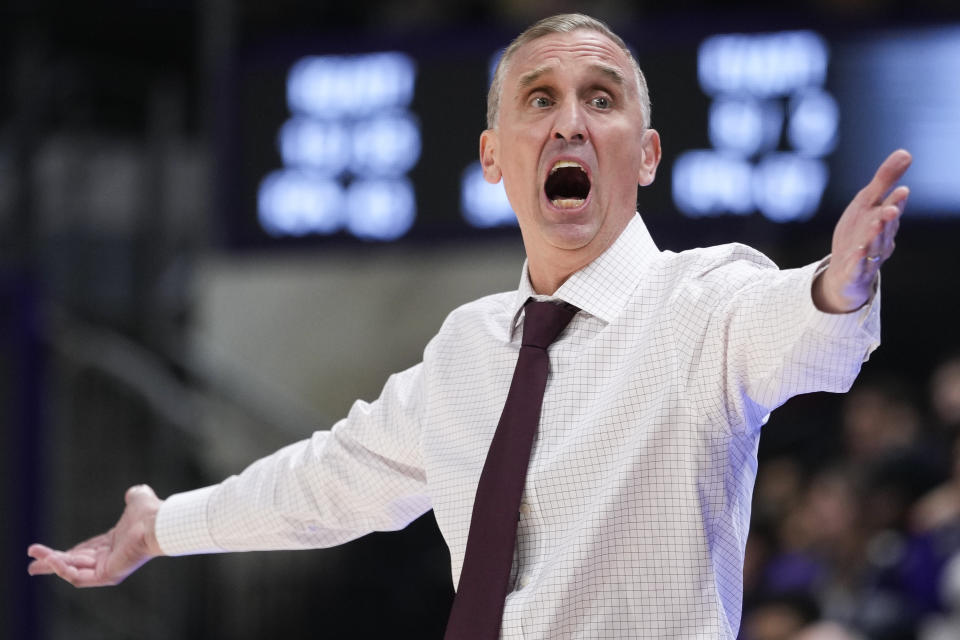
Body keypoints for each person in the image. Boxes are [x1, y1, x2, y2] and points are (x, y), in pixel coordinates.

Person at [27, 13, 912, 639]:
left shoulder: (705, 300)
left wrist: (838, 282)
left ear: (645, 155)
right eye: (539, 98)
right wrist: (163, 525)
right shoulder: (467, 347)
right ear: (495, 156)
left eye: (601, 99)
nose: (570, 119)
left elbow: (797, 336)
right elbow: (327, 483)